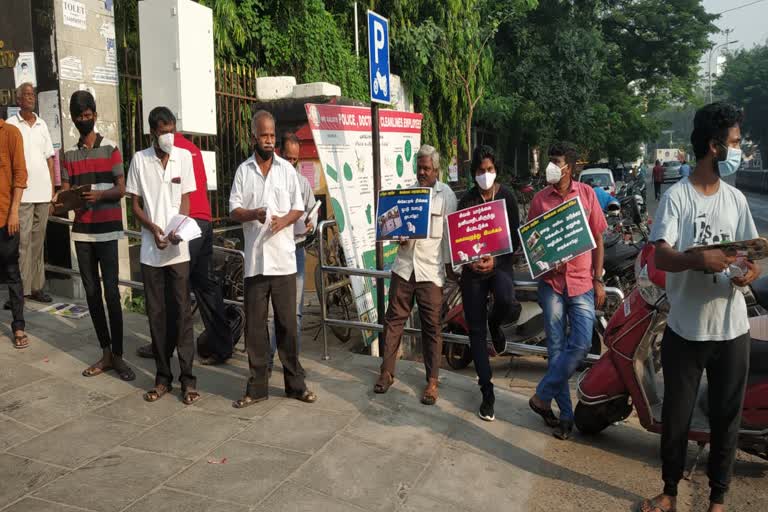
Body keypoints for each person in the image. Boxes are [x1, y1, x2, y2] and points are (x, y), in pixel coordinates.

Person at [638, 102, 760, 512]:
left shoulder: (736, 200)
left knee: (728, 419)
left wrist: (748, 273)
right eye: (735, 143)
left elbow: (748, 256)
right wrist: (697, 259)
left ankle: (718, 500)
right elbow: (661, 257)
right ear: (713, 146)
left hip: (732, 330)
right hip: (686, 330)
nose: (739, 150)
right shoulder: (676, 199)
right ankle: (670, 491)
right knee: (676, 417)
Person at [229, 110, 316, 407]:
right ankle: (257, 387)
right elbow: (233, 209)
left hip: (283, 261)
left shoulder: (286, 170)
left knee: (287, 325)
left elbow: (298, 208)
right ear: (254, 136)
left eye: (271, 135)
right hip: (255, 262)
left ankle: (295, 384)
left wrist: (284, 221)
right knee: (255, 328)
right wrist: (253, 214)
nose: (268, 140)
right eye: (263, 135)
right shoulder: (244, 171)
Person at [528, 142, 607, 440]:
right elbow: (532, 243)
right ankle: (566, 417)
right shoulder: (539, 200)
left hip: (582, 283)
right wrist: (547, 260)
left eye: (556, 161)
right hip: (551, 284)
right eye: (549, 159)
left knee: (583, 344)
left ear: (569, 167)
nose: (551, 165)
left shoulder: (586, 195)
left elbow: (598, 238)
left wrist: (598, 279)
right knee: (555, 349)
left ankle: (541, 396)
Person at [135, 132, 233, 365]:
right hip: (204, 222)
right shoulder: (192, 148)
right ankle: (222, 346)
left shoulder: (171, 151)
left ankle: (165, 346)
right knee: (206, 286)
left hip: (185, 223)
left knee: (173, 292)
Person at [58, 91, 134, 381]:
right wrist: (63, 199)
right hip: (83, 234)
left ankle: (119, 355)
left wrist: (99, 195)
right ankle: (105, 352)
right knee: (92, 295)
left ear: (94, 115)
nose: (83, 120)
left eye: (87, 116)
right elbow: (66, 192)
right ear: (73, 118)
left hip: (108, 230)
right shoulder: (69, 155)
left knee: (112, 293)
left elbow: (121, 187)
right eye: (78, 117)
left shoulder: (111, 148)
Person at [126, 106, 200, 405]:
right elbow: (135, 206)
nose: (169, 136)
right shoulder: (140, 161)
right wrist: (153, 228)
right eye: (163, 131)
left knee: (183, 314)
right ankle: (162, 377)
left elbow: (186, 201)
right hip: (150, 251)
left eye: (172, 129)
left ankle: (188, 379)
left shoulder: (183, 157)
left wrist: (176, 228)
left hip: (178, 249)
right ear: (152, 133)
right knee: (156, 315)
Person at [373, 144, 457, 405]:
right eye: (419, 167)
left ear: (436, 169)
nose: (422, 172)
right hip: (404, 267)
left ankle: (432, 381)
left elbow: (449, 239)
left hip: (430, 271)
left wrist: (450, 271)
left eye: (427, 168)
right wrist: (395, 236)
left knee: (431, 326)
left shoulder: (447, 196)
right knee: (393, 320)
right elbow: (389, 226)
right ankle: (387, 372)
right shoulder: (406, 194)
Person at [458, 145, 521, 421]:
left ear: (496, 171)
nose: (486, 175)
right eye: (481, 171)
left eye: (490, 170)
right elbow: (459, 240)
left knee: (507, 300)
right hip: (472, 273)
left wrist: (495, 262)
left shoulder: (507, 197)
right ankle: (487, 392)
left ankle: (496, 324)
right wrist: (468, 261)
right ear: (474, 174)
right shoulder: (467, 201)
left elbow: (515, 239)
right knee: (475, 331)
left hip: (499, 266)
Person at [267, 133, 317, 375]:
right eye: (288, 158)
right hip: (272, 250)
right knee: (270, 312)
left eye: (295, 160)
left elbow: (312, 211)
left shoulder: (302, 183)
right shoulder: (269, 177)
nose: (292, 164)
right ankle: (266, 360)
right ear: (278, 152)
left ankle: (292, 363)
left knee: (294, 311)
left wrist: (310, 223)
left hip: (296, 249)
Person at [6, 83, 54, 304]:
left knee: (38, 242)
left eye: (32, 94)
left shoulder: (43, 124)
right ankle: (20, 292)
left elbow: (50, 158)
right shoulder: (10, 125)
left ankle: (37, 287)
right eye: (25, 94)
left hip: (43, 193)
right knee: (22, 243)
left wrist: (53, 189)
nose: (30, 97)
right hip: (22, 195)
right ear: (18, 99)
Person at [0, 111, 29, 348]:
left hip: (5, 217)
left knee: (12, 272)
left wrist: (13, 211)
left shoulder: (10, 133)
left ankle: (18, 326)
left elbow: (20, 174)